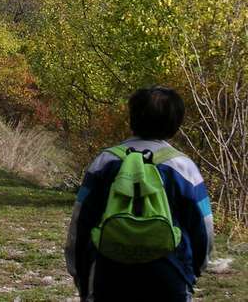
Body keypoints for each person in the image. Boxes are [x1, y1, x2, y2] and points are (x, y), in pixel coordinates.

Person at [65, 86, 213, 302]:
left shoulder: (104, 162)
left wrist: (79, 272)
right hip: (170, 273)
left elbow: (81, 223)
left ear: (132, 118)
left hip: (109, 272)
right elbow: (203, 227)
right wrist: (195, 270)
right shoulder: (184, 167)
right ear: (176, 124)